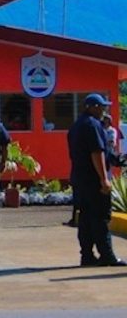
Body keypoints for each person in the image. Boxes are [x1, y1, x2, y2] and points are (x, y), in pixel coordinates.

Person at [68, 94, 124, 267]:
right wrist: (103, 179)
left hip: (80, 179)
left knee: (85, 219)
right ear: (92, 107)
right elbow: (96, 153)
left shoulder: (76, 126)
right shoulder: (92, 125)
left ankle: (87, 255)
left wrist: (116, 159)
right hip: (94, 180)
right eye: (102, 107)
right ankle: (107, 256)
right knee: (100, 218)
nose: (104, 110)